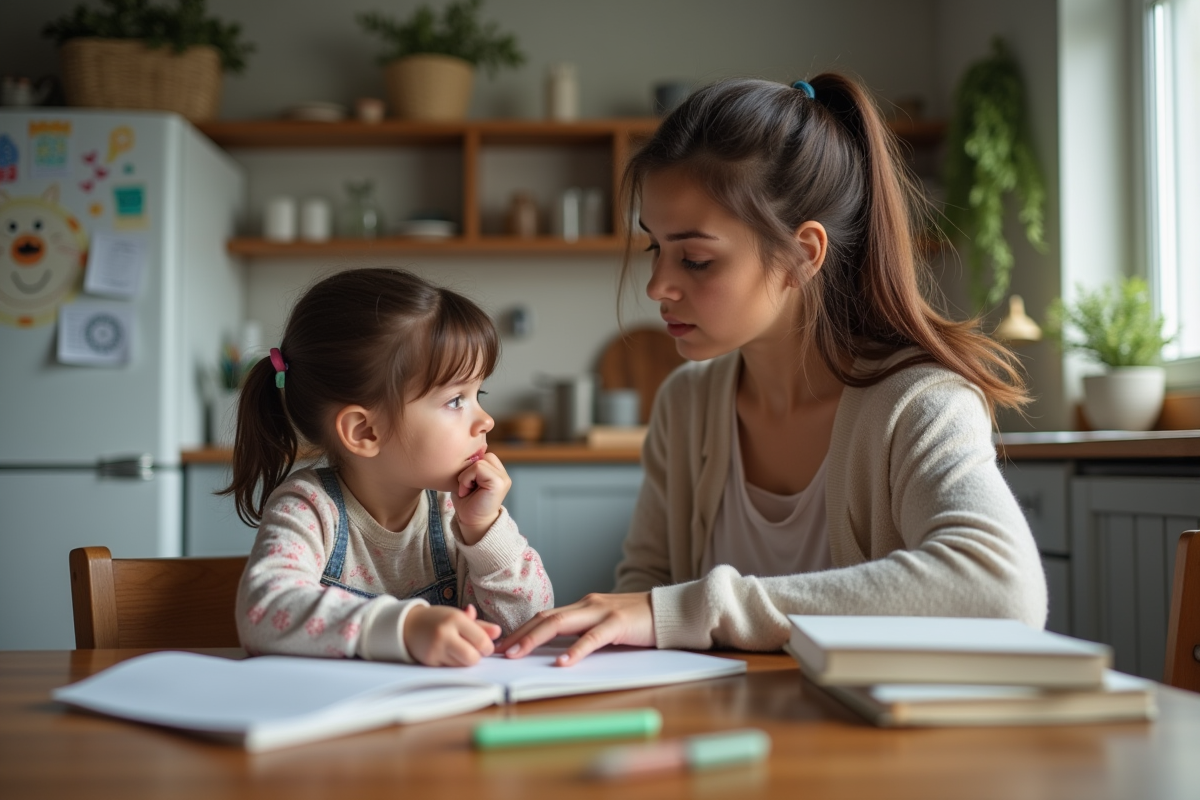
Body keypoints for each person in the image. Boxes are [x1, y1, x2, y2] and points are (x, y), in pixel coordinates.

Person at [499, 74, 1047, 666]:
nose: (657, 286)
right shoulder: (685, 404)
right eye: (656, 248)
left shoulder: (919, 404)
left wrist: (701, 609)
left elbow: (1002, 592)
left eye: (696, 259)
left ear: (803, 255)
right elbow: (646, 592)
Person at [225, 268, 552, 666]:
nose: (486, 421)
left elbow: (530, 625)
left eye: (477, 393)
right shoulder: (309, 508)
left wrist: (485, 532)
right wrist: (404, 627)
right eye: (455, 400)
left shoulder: (458, 512)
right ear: (364, 431)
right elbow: (264, 613)